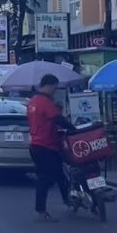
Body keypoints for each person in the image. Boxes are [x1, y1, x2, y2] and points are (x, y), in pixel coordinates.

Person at [26, 74, 75, 221]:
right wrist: (74, 129)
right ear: (49, 85)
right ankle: (41, 210)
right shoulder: (45, 102)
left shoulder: (33, 102)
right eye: (54, 87)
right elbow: (58, 119)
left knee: (59, 174)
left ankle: (68, 200)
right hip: (46, 145)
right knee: (46, 178)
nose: (55, 90)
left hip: (36, 144)